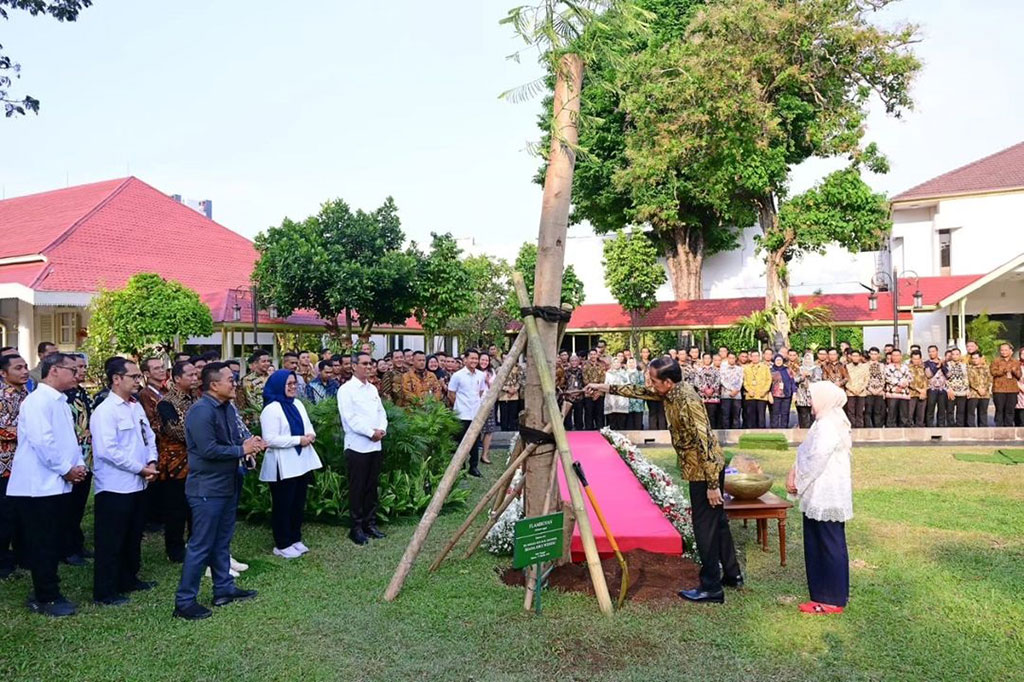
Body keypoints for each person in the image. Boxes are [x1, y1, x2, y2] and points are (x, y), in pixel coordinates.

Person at [585, 357, 740, 603]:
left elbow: (706, 441)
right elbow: (641, 392)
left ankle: (711, 587)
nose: (651, 384)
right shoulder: (671, 392)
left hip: (704, 470)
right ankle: (732, 574)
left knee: (704, 529)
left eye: (654, 380)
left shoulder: (687, 400)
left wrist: (712, 485)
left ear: (668, 382)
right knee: (717, 522)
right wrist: (604, 387)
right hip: (703, 468)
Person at [173, 362, 264, 621]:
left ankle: (223, 588)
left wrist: (249, 443)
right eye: (230, 379)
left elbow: (232, 441)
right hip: (207, 488)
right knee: (200, 545)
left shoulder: (226, 408)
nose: (235, 383)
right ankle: (185, 601)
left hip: (227, 483)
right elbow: (208, 450)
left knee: (222, 540)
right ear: (214, 385)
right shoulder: (201, 411)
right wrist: (241, 450)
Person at [7, 353, 86, 616]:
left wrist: (77, 465)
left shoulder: (59, 401)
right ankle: (46, 597)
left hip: (55, 484)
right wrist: (66, 469)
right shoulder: (37, 401)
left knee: (53, 540)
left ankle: (49, 589)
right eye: (72, 370)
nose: (77, 374)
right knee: (43, 542)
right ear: (53, 371)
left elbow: (68, 440)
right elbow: (43, 442)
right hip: (37, 486)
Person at [89, 358, 159, 606]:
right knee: (111, 540)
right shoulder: (105, 411)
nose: (138, 381)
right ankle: (105, 591)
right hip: (116, 486)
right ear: (116, 379)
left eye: (139, 376)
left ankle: (128, 578)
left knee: (133, 535)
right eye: (134, 377)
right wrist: (139, 468)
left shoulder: (135, 406)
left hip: (139, 483)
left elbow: (148, 436)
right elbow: (108, 451)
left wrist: (151, 461)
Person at [785, 381, 853, 614]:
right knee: (822, 541)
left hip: (825, 491)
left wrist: (797, 481)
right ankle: (829, 594)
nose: (811, 403)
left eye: (813, 398)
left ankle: (830, 598)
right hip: (821, 491)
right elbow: (805, 451)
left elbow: (816, 458)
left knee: (827, 543)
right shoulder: (827, 420)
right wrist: (795, 470)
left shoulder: (828, 425)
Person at [259, 370, 322, 559]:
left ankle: (295, 538)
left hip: (300, 462)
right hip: (282, 464)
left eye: (295, 383)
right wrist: (298, 440)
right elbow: (270, 439)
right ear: (279, 385)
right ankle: (282, 543)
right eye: (289, 384)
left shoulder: (297, 404)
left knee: (298, 502)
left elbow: (308, 426)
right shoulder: (271, 409)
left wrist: (310, 435)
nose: (293, 387)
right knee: (283, 505)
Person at [338, 352, 388, 546]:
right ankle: (356, 527)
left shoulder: (372, 389)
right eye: (365, 364)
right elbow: (350, 418)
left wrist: (381, 429)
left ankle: (370, 523)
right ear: (354, 366)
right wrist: (370, 432)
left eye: (370, 364)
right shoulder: (346, 390)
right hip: (357, 446)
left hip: (375, 445)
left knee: (371, 487)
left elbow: (381, 412)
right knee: (357, 488)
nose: (369, 367)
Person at [155, 361, 198, 562]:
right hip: (176, 463)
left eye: (196, 374)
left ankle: (195, 543)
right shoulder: (167, 403)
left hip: (196, 460)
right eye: (190, 375)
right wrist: (204, 437)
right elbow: (176, 431)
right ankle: (175, 549)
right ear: (177, 378)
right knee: (176, 508)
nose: (195, 378)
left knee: (195, 506)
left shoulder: (197, 399)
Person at [0, 353, 30, 579]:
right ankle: (3, 562)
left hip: (24, 464)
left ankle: (22, 556)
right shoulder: (2, 396)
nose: (25, 371)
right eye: (18, 368)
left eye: (25, 366)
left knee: (22, 513)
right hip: (4, 466)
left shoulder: (26, 394)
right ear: (3, 373)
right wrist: (30, 432)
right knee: (5, 515)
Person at [63, 354, 94, 565]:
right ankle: (67, 549)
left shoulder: (83, 393)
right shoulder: (62, 396)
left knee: (79, 505)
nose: (82, 371)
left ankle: (77, 544)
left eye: (83, 367)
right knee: (68, 506)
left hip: (87, 456)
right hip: (71, 458)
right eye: (77, 368)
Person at [139, 357, 167, 534]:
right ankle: (152, 519)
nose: (161, 370)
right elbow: (151, 421)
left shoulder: (164, 390)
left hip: (166, 444)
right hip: (157, 441)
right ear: (147, 373)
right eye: (156, 368)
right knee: (155, 481)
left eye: (162, 367)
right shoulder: (145, 394)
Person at [448, 349, 485, 476]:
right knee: (460, 441)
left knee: (475, 442)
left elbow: (480, 392)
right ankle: (460, 466)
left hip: (475, 414)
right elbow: (451, 394)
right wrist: (460, 406)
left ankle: (473, 467)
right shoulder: (457, 375)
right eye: (472, 358)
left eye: (476, 359)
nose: (474, 361)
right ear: (465, 360)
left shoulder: (481, 375)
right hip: (461, 414)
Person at [236, 349, 272, 430]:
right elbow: (250, 400)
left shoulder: (272, 378)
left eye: (268, 361)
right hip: (255, 420)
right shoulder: (247, 380)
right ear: (256, 363)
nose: (267, 364)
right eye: (264, 361)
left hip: (272, 416)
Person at [990, 343, 1021, 427]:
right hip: (999, 389)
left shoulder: (1015, 362)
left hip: (1012, 389)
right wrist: (1003, 370)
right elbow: (993, 372)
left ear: (1010, 351)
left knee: (1010, 409)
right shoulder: (996, 361)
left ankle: (1009, 426)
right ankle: (999, 426)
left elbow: (1019, 375)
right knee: (1000, 409)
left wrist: (1014, 371)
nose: (1003, 352)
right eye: (1002, 350)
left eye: (1006, 350)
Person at [478, 353, 499, 464]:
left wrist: (487, 381)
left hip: (489, 403)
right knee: (475, 430)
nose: (484, 362)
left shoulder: (492, 372)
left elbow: (494, 388)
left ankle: (485, 455)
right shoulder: (475, 372)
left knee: (489, 430)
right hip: (476, 404)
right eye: (482, 359)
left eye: (486, 360)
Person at [742, 350, 771, 429]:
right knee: (751, 418)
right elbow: (744, 381)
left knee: (761, 418)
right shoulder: (746, 368)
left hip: (762, 396)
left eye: (757, 356)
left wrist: (764, 390)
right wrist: (748, 390)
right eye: (753, 356)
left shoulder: (765, 367)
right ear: (750, 357)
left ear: (760, 357)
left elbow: (769, 380)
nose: (755, 358)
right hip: (750, 395)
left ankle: (761, 434)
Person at [883, 349, 911, 427]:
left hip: (904, 394)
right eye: (894, 355)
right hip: (892, 394)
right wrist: (899, 384)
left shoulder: (905, 367)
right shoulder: (887, 367)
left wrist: (903, 385)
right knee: (892, 414)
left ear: (901, 356)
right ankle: (891, 430)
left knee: (904, 415)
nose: (895, 357)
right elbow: (887, 378)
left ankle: (903, 430)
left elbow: (909, 378)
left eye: (897, 355)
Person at [966, 350, 992, 427]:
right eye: (973, 358)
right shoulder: (969, 368)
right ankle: (971, 428)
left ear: (980, 358)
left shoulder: (987, 368)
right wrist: (978, 389)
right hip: (973, 393)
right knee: (971, 412)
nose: (974, 360)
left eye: (976, 358)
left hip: (985, 394)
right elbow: (970, 380)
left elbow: (989, 379)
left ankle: (983, 428)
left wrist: (985, 389)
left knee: (983, 412)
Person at [695, 353, 721, 429]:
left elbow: (718, 381)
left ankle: (713, 431)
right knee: (702, 416)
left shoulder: (715, 371)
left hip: (713, 397)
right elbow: (696, 382)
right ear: (703, 359)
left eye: (708, 358)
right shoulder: (698, 370)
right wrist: (704, 389)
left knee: (712, 416)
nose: (707, 360)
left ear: (711, 360)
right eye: (705, 358)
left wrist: (712, 389)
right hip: (702, 397)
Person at [769, 355, 796, 428]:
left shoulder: (788, 370)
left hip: (786, 395)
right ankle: (775, 429)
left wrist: (794, 392)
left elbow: (792, 382)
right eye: (777, 360)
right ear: (774, 361)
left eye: (780, 360)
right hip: (775, 395)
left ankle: (784, 428)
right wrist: (769, 393)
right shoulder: (771, 370)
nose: (778, 362)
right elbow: (768, 383)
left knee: (785, 413)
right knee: (775, 413)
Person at [944, 348, 969, 427]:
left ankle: (960, 426)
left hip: (962, 392)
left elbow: (966, 377)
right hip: (951, 391)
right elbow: (944, 378)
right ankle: (950, 425)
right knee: (950, 410)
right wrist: (948, 389)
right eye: (953, 354)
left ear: (960, 355)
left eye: (957, 354)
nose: (955, 356)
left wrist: (967, 389)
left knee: (961, 411)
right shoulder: (947, 365)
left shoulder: (964, 365)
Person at [603, 357, 630, 431]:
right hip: (611, 399)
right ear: (612, 364)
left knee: (621, 422)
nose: (616, 364)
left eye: (618, 362)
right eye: (614, 362)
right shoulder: (608, 373)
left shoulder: (625, 373)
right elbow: (606, 384)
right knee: (612, 421)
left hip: (622, 399)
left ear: (620, 364)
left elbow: (628, 385)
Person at [582, 349, 606, 430]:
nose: (593, 356)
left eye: (594, 354)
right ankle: (589, 432)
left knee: (599, 414)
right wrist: (592, 392)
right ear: (589, 355)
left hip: (600, 393)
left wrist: (598, 392)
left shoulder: (601, 365)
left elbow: (603, 379)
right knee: (589, 413)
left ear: (596, 355)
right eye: (591, 354)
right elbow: (585, 379)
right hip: (589, 392)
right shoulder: (585, 365)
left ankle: (600, 431)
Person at [843, 350, 868, 428]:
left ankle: (860, 427)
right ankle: (852, 427)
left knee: (860, 411)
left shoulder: (865, 367)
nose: (855, 358)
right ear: (850, 357)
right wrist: (852, 389)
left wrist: (861, 389)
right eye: (853, 356)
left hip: (861, 392)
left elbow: (867, 379)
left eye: (857, 356)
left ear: (860, 357)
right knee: (850, 411)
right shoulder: (846, 367)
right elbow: (845, 379)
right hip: (850, 392)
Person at [923, 345, 946, 428]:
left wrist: (942, 365)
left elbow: (948, 374)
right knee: (930, 409)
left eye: (933, 351)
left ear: (937, 351)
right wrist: (937, 366)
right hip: (931, 389)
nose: (931, 353)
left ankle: (941, 426)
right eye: (929, 352)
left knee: (942, 409)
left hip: (942, 389)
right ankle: (929, 426)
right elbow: (929, 375)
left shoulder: (943, 362)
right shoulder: (926, 363)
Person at [498, 355, 523, 433]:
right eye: (504, 359)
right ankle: (504, 430)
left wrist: (515, 389)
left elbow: (520, 380)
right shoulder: (499, 369)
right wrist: (507, 389)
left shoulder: (518, 368)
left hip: (515, 395)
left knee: (513, 414)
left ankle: (513, 429)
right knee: (504, 414)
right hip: (503, 395)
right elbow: (498, 382)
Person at [719, 353, 743, 429]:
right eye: (730, 358)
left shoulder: (740, 369)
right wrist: (731, 389)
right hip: (726, 394)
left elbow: (741, 380)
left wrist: (736, 390)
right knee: (726, 415)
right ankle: (726, 433)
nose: (731, 360)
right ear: (727, 359)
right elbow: (722, 380)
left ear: (735, 359)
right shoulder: (723, 369)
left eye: (733, 358)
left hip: (737, 395)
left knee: (736, 416)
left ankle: (736, 432)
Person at [908, 350, 929, 427]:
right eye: (914, 359)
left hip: (923, 394)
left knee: (921, 414)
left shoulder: (923, 368)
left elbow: (927, 380)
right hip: (912, 394)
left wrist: (924, 391)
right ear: (911, 359)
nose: (916, 361)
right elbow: (909, 381)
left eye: (918, 359)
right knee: (910, 413)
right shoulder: (907, 368)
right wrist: (919, 390)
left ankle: (920, 427)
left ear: (920, 359)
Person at [625, 358, 646, 430]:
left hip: (638, 400)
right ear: (627, 364)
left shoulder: (640, 374)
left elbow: (642, 385)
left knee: (638, 420)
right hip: (627, 400)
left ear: (636, 364)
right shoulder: (624, 374)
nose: (631, 364)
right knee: (629, 421)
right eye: (630, 362)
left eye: (633, 362)